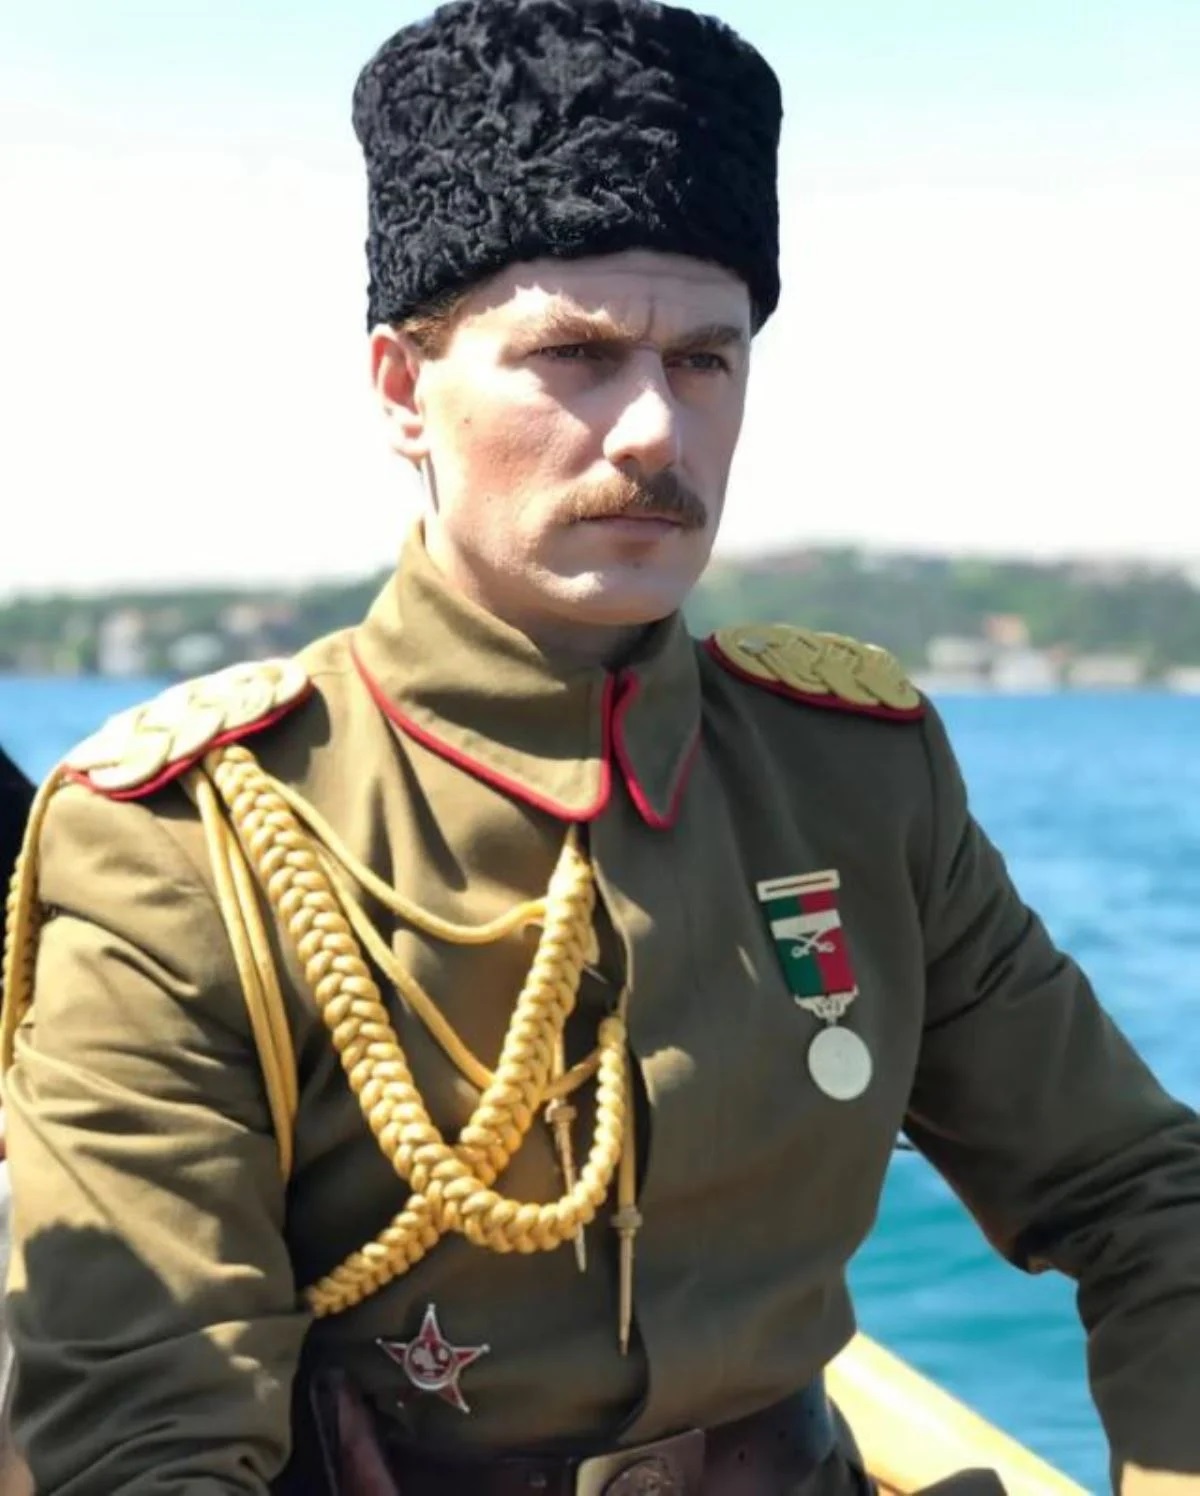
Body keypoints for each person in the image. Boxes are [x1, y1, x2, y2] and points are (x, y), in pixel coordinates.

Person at [2, 2, 1198, 1492]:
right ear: (402, 392)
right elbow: (147, 1433)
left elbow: (1147, 1193)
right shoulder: (190, 838)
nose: (652, 432)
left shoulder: (851, 776)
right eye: (574, 355)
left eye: (704, 362)